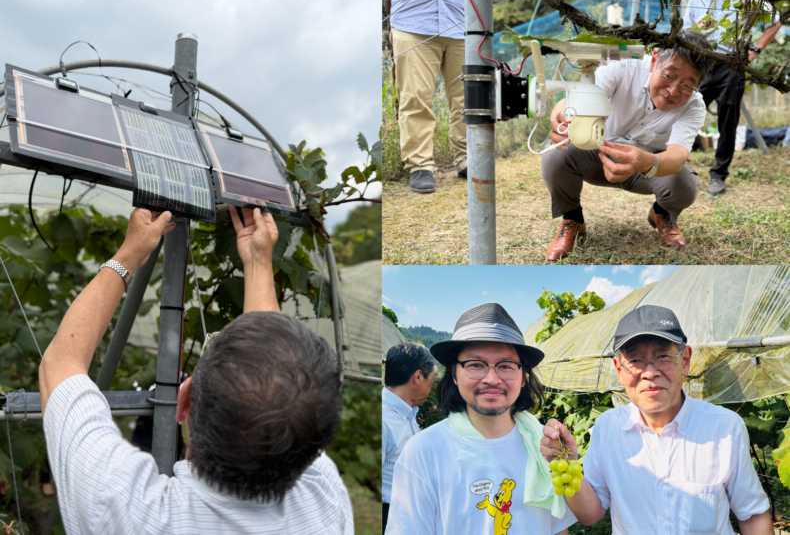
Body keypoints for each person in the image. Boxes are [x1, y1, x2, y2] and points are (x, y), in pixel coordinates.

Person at [38, 206, 353, 534]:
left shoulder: (130, 510)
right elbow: (276, 368)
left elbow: (61, 363)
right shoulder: (324, 500)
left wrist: (128, 254)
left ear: (184, 400)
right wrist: (258, 262)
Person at [540, 305, 772, 535]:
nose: (649, 372)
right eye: (635, 360)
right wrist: (568, 463)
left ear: (685, 360)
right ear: (619, 370)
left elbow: (752, 515)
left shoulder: (725, 427)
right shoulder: (607, 428)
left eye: (663, 356)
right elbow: (590, 515)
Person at [386, 303, 576, 535]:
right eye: (475, 365)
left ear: (523, 377)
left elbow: (555, 526)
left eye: (506, 366)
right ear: (454, 374)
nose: (492, 379)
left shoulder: (542, 445)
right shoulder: (423, 452)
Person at [540, 29, 713, 262]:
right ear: (654, 61)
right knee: (555, 156)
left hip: (647, 169)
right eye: (670, 76)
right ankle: (572, 219)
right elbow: (580, 99)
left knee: (684, 183)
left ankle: (662, 214)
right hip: (598, 156)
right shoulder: (622, 68)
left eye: (687, 85)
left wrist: (644, 161)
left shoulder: (694, 106)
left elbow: (677, 155)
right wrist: (562, 112)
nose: (673, 91)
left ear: (699, 84)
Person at [684, 0, 783, 195]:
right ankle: (674, 163)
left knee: (728, 119)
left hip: (731, 63)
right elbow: (684, 32)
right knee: (681, 109)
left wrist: (755, 49)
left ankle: (719, 175)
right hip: (700, 64)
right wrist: (697, 30)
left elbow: (776, 20)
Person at [387, 0, 467, 194]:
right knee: (415, 98)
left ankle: (468, 159)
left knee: (468, 98)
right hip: (413, 22)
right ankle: (420, 165)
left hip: (464, 21)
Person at [382, 342, 438, 531]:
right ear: (418, 377)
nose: (431, 387)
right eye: (431, 379)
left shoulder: (408, 414)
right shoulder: (383, 421)